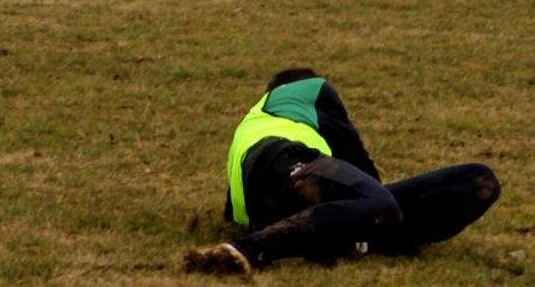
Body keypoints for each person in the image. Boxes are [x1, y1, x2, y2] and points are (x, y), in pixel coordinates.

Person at [184, 68, 501, 276]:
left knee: (478, 179)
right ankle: (247, 250)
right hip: (286, 160)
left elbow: (232, 212)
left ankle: (355, 242)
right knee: (380, 204)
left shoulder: (247, 135)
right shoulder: (304, 89)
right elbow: (361, 166)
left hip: (281, 196)